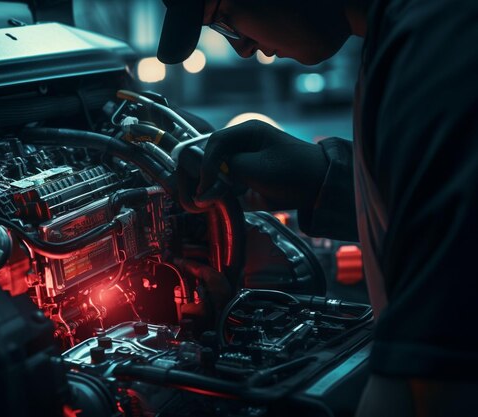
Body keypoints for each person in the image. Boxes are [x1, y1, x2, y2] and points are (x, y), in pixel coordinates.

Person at [156, 0, 478, 415]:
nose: (242, 49)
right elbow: (436, 195)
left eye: (225, 19)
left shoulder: (437, 45)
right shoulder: (409, 33)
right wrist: (324, 179)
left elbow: (438, 374)